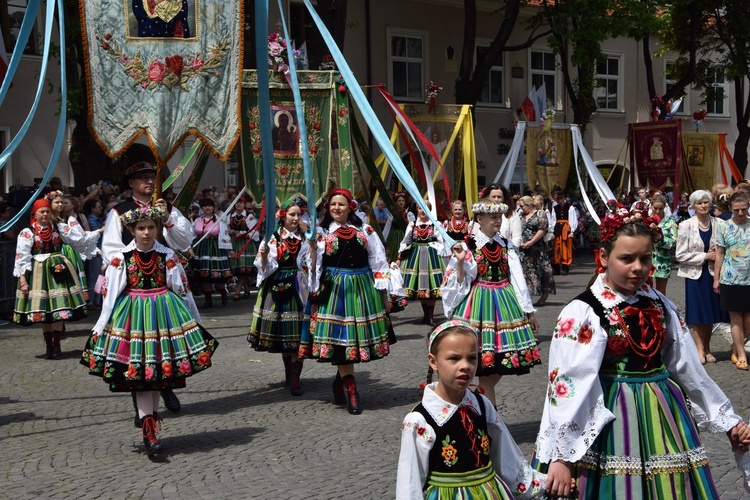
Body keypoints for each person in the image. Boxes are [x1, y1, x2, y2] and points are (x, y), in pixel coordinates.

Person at [537, 206, 750, 498]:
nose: (638, 267)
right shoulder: (585, 311)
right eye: (626, 259)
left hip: (664, 413)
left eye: (645, 259)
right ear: (603, 257)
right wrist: (561, 457)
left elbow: (689, 368)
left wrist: (728, 422)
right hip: (611, 416)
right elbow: (567, 386)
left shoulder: (660, 304)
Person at [80, 206, 217, 458]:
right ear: (131, 230)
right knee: (143, 376)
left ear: (158, 229)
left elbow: (182, 291)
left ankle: (151, 429)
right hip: (133, 320)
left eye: (151, 228)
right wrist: (101, 326)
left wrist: (195, 323)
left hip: (164, 317)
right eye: (141, 228)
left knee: (155, 376)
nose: (146, 233)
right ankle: (149, 433)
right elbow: (110, 297)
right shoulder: (121, 258)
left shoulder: (168, 256)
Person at [396, 319, 546, 499]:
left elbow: (507, 457)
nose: (465, 366)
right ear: (433, 361)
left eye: (472, 358)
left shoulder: (482, 405)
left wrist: (541, 485)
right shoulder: (419, 420)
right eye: (454, 358)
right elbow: (409, 482)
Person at [101, 161, 196, 421]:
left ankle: (165, 387)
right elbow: (109, 248)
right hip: (133, 285)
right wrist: (121, 271)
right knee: (136, 347)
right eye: (142, 178)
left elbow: (185, 241)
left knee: (163, 339)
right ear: (131, 183)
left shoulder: (168, 208)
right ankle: (141, 407)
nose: (149, 182)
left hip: (162, 281)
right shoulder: (119, 211)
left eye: (152, 178)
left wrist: (167, 219)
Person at [299, 188, 393, 415]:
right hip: (335, 290)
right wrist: (311, 249)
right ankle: (351, 389)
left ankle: (339, 380)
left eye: (341, 204)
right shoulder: (320, 232)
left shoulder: (364, 229)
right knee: (341, 340)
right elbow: (308, 265)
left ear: (350, 206)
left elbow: (378, 260)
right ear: (327, 208)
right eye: (333, 205)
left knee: (352, 339)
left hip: (362, 288)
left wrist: (384, 293)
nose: (336, 208)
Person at [441, 199, 540, 406]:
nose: (498, 221)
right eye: (493, 217)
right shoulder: (469, 245)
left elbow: (518, 279)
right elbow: (459, 281)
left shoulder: (506, 244)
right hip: (478, 303)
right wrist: (460, 262)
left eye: (499, 217)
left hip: (505, 301)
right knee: (483, 365)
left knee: (497, 364)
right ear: (480, 219)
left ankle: (479, 405)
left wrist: (529, 311)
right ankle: (485, 411)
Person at [13, 199, 89, 358]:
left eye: (48, 211)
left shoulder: (58, 228)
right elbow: (21, 258)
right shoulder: (27, 232)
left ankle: (57, 345)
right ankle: (48, 346)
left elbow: (76, 240)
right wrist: (23, 281)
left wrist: (96, 234)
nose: (45, 214)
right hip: (38, 274)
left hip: (57, 272)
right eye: (42, 211)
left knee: (59, 309)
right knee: (44, 311)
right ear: (35, 213)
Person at [248, 200, 310, 396]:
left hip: (299, 285)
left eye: (298, 215)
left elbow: (311, 261)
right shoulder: (273, 238)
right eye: (292, 214)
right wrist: (265, 257)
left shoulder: (305, 238)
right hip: (277, 285)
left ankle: (295, 378)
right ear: (283, 216)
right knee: (285, 333)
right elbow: (263, 265)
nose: (296, 218)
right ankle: (289, 374)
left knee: (298, 334)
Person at [676, 190, 727, 365]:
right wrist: (704, 256)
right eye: (699, 203)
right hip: (695, 275)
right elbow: (680, 255)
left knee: (710, 312)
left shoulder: (719, 223)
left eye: (706, 202)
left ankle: (708, 347)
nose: (703, 206)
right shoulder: (686, 226)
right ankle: (699, 349)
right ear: (693, 206)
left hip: (714, 274)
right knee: (698, 313)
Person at [713, 191, 750, 370]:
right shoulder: (723, 227)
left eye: (744, 209)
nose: (741, 213)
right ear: (730, 209)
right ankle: (741, 354)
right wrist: (716, 278)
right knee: (735, 319)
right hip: (731, 278)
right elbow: (719, 253)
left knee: (749, 320)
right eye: (737, 210)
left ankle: (737, 345)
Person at [396, 201, 447, 326]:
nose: (422, 211)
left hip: (432, 257)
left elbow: (442, 241)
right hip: (415, 258)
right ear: (417, 210)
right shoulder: (412, 225)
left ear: (429, 210)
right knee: (420, 286)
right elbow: (405, 241)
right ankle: (425, 314)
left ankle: (430, 315)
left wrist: (437, 248)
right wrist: (400, 256)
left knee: (431, 285)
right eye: (420, 208)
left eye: (425, 208)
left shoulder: (435, 224)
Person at [192, 198, 233, 308]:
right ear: (202, 208)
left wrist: (229, 249)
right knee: (204, 275)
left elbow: (224, 235)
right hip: (202, 249)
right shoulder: (198, 220)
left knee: (217, 274)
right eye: (205, 206)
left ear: (213, 207)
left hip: (216, 248)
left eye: (210, 206)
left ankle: (223, 293)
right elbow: (193, 235)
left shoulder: (219, 220)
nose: (207, 208)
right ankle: (208, 300)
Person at [517, 195, 555, 307]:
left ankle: (544, 296)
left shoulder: (540, 213)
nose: (521, 208)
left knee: (541, 270)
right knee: (526, 271)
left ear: (529, 205)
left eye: (522, 206)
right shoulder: (521, 215)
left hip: (537, 248)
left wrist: (531, 242)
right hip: (523, 248)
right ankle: (527, 295)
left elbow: (542, 229)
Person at [227, 197, 256, 300]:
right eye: (236, 203)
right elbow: (226, 229)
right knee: (238, 268)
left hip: (245, 244)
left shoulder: (249, 216)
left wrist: (239, 233)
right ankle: (247, 289)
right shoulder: (230, 216)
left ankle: (237, 292)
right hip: (234, 243)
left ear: (244, 205)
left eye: (240, 203)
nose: (238, 205)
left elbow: (253, 232)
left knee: (243, 268)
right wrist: (229, 233)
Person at [651, 194, 677, 295]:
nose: (657, 211)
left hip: (663, 260)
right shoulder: (646, 221)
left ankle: (661, 310)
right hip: (647, 259)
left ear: (665, 207)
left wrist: (662, 239)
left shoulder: (670, 222)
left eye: (660, 208)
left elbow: (674, 241)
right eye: (655, 208)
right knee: (646, 289)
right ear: (651, 206)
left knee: (661, 292)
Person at [83, 198, 106, 308]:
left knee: (100, 276)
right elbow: (97, 233)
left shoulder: (99, 218)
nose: (101, 208)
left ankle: (97, 300)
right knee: (93, 276)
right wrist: (104, 226)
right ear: (92, 209)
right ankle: (91, 300)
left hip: (102, 250)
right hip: (94, 251)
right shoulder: (91, 220)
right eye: (98, 206)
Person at [551, 190, 578, 275]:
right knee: (556, 248)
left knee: (566, 248)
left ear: (564, 198)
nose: (560, 201)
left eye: (561, 198)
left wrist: (572, 231)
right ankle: (556, 267)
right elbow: (553, 220)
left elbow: (573, 219)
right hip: (557, 229)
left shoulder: (570, 208)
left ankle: (565, 267)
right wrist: (552, 230)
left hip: (566, 230)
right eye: (558, 199)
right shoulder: (555, 208)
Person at [385, 192, 415, 262]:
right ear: (396, 202)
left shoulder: (409, 214)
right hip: (393, 235)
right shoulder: (392, 214)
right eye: (399, 201)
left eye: (403, 201)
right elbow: (387, 227)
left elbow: (412, 226)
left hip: (404, 235)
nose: (401, 202)